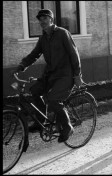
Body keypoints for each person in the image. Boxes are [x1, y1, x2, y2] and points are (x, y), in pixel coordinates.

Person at [13, 9, 84, 143]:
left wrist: (77, 75)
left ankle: (68, 126)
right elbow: (34, 55)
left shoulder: (63, 33)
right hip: (51, 74)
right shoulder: (43, 38)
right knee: (35, 91)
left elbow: (74, 55)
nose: (42, 21)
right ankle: (41, 120)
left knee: (53, 100)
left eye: (45, 18)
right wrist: (21, 67)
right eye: (40, 19)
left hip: (66, 75)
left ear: (51, 19)